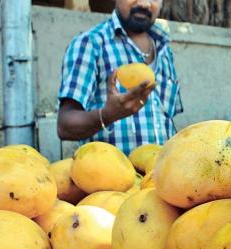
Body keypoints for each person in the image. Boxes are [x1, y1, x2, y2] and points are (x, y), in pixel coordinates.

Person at [57, 0, 184, 153]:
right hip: (110, 175)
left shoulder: (164, 48)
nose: (144, 4)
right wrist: (107, 115)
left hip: (159, 174)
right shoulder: (91, 43)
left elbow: (167, 121)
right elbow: (64, 126)